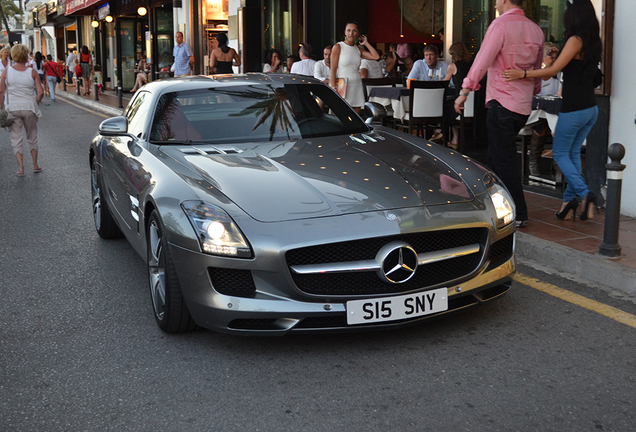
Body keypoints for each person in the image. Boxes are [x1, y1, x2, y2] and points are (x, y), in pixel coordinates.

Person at [504, 0, 601, 221]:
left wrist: (524, 74)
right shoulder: (591, 41)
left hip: (574, 108)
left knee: (559, 153)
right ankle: (569, 202)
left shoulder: (575, 40)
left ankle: (586, 194)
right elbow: (568, 69)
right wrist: (554, 60)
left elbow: (553, 71)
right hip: (590, 108)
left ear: (573, 16)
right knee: (573, 152)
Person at [454, 0, 543, 229]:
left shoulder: (500, 25)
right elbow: (537, 70)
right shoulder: (535, 29)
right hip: (522, 104)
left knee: (504, 159)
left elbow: (482, 61)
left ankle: (519, 212)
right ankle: (493, 206)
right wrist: (532, 91)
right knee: (495, 156)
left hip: (502, 101)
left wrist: (465, 91)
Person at [0, 44, 44, 177]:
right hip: (29, 108)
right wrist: (34, 103)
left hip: (12, 108)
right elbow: (40, 92)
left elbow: (1, 91)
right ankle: (35, 165)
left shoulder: (6, 72)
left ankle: (21, 168)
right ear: (26, 56)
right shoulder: (32, 72)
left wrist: (2, 107)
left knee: (16, 138)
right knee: (32, 136)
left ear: (13, 55)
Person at [527, 42, 562, 175]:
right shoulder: (534, 75)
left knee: (548, 119)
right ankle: (549, 161)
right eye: (551, 58)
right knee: (543, 122)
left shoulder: (559, 75)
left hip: (549, 113)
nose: (554, 61)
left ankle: (536, 162)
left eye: (556, 58)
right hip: (534, 113)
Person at [329, 22, 379, 114]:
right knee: (342, 112)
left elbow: (376, 57)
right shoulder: (338, 47)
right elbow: (333, 68)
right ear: (345, 32)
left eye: (354, 31)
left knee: (356, 114)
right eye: (348, 30)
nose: (351, 33)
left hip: (356, 83)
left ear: (358, 34)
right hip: (342, 82)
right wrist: (333, 85)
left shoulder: (358, 49)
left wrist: (366, 43)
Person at [443, 42, 472, 149]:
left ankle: (440, 132)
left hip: (459, 101)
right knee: (450, 110)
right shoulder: (472, 66)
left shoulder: (452, 66)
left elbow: (444, 84)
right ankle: (455, 139)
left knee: (444, 109)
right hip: (472, 106)